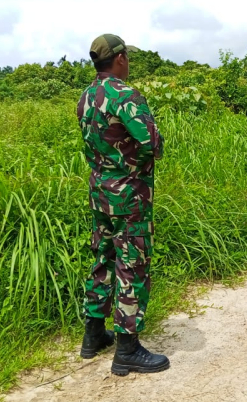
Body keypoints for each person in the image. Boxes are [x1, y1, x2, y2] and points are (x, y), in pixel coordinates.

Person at [76, 33, 169, 376]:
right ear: (119, 58)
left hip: (100, 191)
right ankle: (127, 348)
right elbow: (151, 142)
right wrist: (137, 162)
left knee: (102, 256)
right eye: (127, 56)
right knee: (132, 262)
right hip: (129, 194)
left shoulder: (86, 96)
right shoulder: (125, 95)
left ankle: (94, 333)